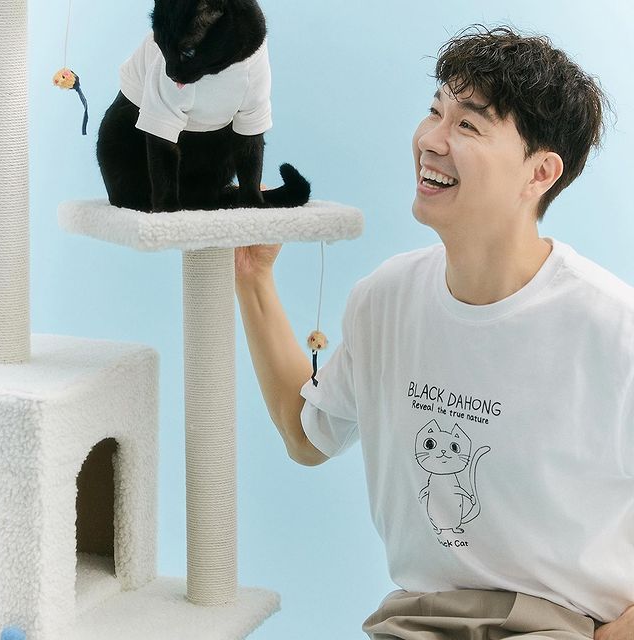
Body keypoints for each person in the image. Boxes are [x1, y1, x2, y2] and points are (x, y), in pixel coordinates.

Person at [235, 24, 634, 640]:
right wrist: (253, 276)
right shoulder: (385, 299)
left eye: (467, 125)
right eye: (434, 111)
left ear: (540, 173)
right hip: (416, 620)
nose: (430, 140)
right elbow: (307, 435)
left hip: (564, 624)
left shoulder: (613, 329)